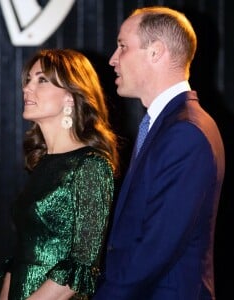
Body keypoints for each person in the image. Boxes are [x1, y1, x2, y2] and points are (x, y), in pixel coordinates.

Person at [93, 6, 225, 300]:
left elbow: (155, 247)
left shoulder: (186, 131)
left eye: (122, 47)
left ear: (156, 52)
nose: (113, 59)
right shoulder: (171, 124)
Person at [0, 48, 119, 300]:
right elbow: (21, 253)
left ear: (71, 97)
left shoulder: (91, 165)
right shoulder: (42, 163)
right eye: (28, 80)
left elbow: (81, 267)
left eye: (42, 80)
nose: (27, 88)